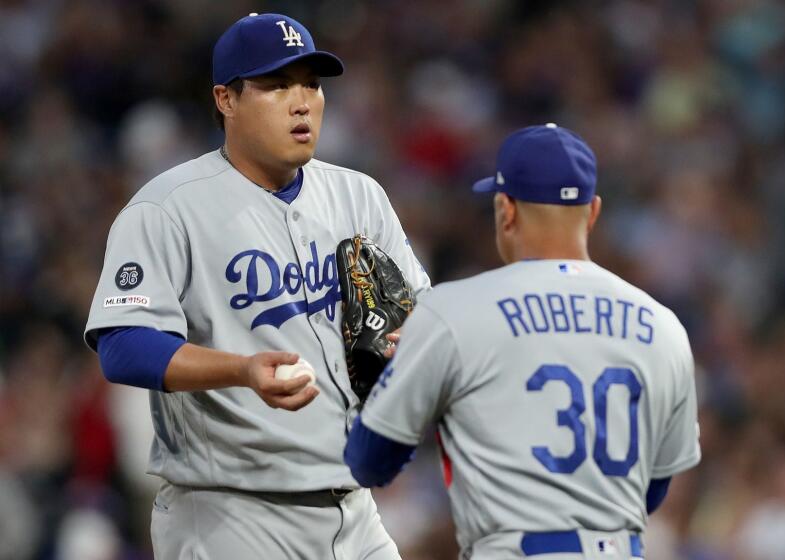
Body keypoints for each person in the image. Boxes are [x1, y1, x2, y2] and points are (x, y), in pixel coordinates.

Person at [84, 13, 429, 560]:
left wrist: (414, 340)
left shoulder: (359, 196)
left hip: (355, 508)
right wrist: (241, 370)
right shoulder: (167, 208)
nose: (301, 102)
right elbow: (123, 345)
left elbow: (418, 313)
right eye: (276, 85)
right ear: (226, 99)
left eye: (311, 84)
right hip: (230, 515)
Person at [344, 124, 701, 559]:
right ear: (592, 212)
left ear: (505, 209)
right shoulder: (663, 326)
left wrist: (389, 376)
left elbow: (369, 462)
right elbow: (653, 489)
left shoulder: (454, 312)